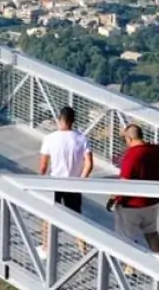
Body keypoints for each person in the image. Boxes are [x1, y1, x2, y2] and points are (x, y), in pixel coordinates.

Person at [38, 106, 93, 258]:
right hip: (74, 183)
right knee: (77, 219)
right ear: (73, 121)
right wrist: (82, 179)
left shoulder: (50, 138)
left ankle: (46, 248)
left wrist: (40, 180)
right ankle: (83, 252)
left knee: (48, 216)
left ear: (59, 119)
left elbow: (43, 166)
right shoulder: (82, 139)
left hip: (55, 182)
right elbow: (89, 163)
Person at [108, 124, 159, 253]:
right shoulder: (157, 151)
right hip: (153, 202)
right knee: (151, 232)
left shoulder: (132, 155)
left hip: (131, 205)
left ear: (129, 138)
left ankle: (130, 269)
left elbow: (124, 182)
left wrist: (113, 199)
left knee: (128, 238)